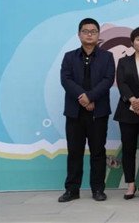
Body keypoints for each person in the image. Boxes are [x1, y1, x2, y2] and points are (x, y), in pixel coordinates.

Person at [59, 18, 115, 202]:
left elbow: (108, 80)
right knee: (74, 152)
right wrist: (82, 98)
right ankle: (72, 190)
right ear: (79, 34)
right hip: (74, 112)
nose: (89, 34)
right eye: (85, 31)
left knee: (98, 152)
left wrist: (90, 97)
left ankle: (98, 189)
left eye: (93, 31)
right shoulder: (69, 57)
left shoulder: (107, 57)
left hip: (98, 112)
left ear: (98, 35)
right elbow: (66, 80)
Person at [113, 27, 139, 200]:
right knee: (128, 149)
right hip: (127, 111)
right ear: (132, 42)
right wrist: (133, 100)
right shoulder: (123, 62)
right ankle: (130, 184)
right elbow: (121, 82)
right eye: (138, 39)